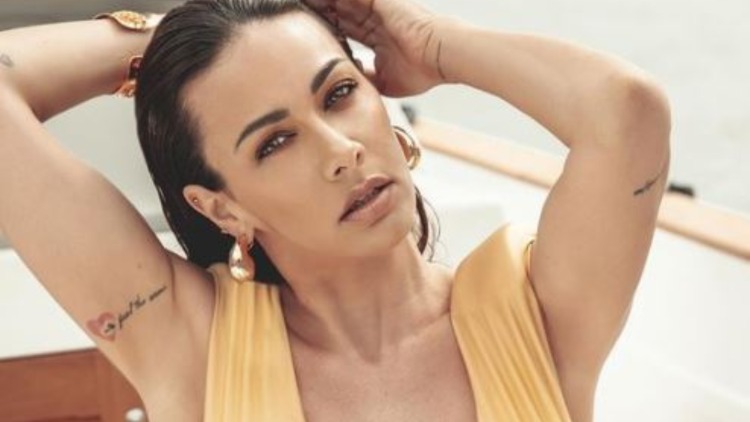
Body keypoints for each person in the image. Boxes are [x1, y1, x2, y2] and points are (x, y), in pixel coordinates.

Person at [0, 0, 671, 420]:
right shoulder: (190, 344)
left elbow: (627, 110)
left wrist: (432, 42)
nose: (341, 151)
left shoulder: (535, 311)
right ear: (222, 208)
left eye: (339, 94)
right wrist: (174, 34)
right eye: (275, 142)